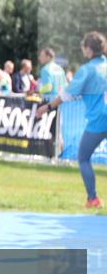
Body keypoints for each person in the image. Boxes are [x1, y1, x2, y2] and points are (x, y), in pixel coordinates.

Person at [37, 32, 107, 209]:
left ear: (89, 49)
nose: (83, 49)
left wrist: (47, 107)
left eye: (84, 46)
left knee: (83, 158)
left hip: (98, 121)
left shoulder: (87, 70)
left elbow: (67, 94)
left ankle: (93, 199)